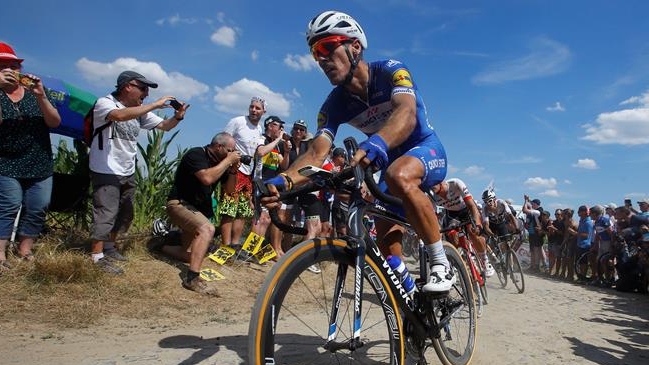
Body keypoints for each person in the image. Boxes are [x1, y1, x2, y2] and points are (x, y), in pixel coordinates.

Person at [262, 11, 453, 292]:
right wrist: (284, 181)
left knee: (398, 173)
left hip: (424, 149)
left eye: (327, 46)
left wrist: (377, 142)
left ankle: (440, 262)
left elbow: (407, 112)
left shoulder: (390, 70)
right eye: (316, 53)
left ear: (355, 47)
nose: (322, 59)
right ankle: (410, 299)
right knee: (386, 241)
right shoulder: (333, 105)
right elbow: (317, 152)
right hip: (389, 163)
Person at [89, 70, 189, 274]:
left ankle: (109, 247)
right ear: (127, 86)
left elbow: (164, 126)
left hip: (127, 169)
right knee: (106, 212)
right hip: (105, 168)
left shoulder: (138, 111)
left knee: (126, 213)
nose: (146, 94)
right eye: (143, 89)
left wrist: (177, 117)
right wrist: (154, 105)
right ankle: (96, 257)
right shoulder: (105, 103)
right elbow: (117, 116)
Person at [0, 42, 61, 268]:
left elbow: (54, 122)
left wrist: (41, 96)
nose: (9, 70)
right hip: (6, 161)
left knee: (38, 206)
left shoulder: (33, 94)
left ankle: (25, 249)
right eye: (3, 66)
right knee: (9, 204)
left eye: (13, 65)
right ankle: (1, 254)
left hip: (39, 161)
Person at [161, 132, 240, 294]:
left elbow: (230, 190)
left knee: (190, 255)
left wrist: (232, 170)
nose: (232, 154)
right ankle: (192, 279)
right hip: (179, 204)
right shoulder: (196, 154)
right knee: (207, 229)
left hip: (196, 211)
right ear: (219, 146)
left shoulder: (221, 163)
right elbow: (206, 178)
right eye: (230, 150)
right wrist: (227, 162)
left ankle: (161, 245)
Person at [220, 97, 266, 249]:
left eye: (258, 108)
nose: (254, 110)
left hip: (248, 173)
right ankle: (226, 245)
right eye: (252, 106)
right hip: (234, 169)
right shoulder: (238, 121)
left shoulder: (259, 129)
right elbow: (222, 141)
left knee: (243, 212)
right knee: (229, 208)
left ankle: (235, 244)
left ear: (263, 112)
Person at [432, 179, 495, 277]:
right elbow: (433, 218)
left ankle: (485, 259)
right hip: (452, 214)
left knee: (474, 233)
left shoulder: (456, 183)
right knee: (452, 238)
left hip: (466, 209)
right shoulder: (431, 195)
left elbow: (471, 205)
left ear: (442, 183)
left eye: (441, 192)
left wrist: (477, 224)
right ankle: (464, 260)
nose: (441, 196)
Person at [253, 115, 291, 258]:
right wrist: (277, 140)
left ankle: (256, 251)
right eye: (278, 126)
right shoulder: (262, 138)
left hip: (270, 184)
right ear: (270, 126)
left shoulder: (276, 146)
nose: (281, 129)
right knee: (259, 217)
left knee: (267, 219)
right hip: (259, 181)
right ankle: (252, 250)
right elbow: (261, 152)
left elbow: (284, 165)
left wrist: (286, 151)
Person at [522, 195, 544, 273]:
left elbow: (524, 210)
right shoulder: (535, 210)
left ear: (536, 204)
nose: (531, 205)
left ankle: (537, 267)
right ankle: (532, 266)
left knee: (536, 250)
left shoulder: (537, 211)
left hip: (536, 234)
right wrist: (528, 199)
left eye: (533, 204)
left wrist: (525, 201)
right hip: (532, 233)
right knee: (532, 251)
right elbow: (531, 203)